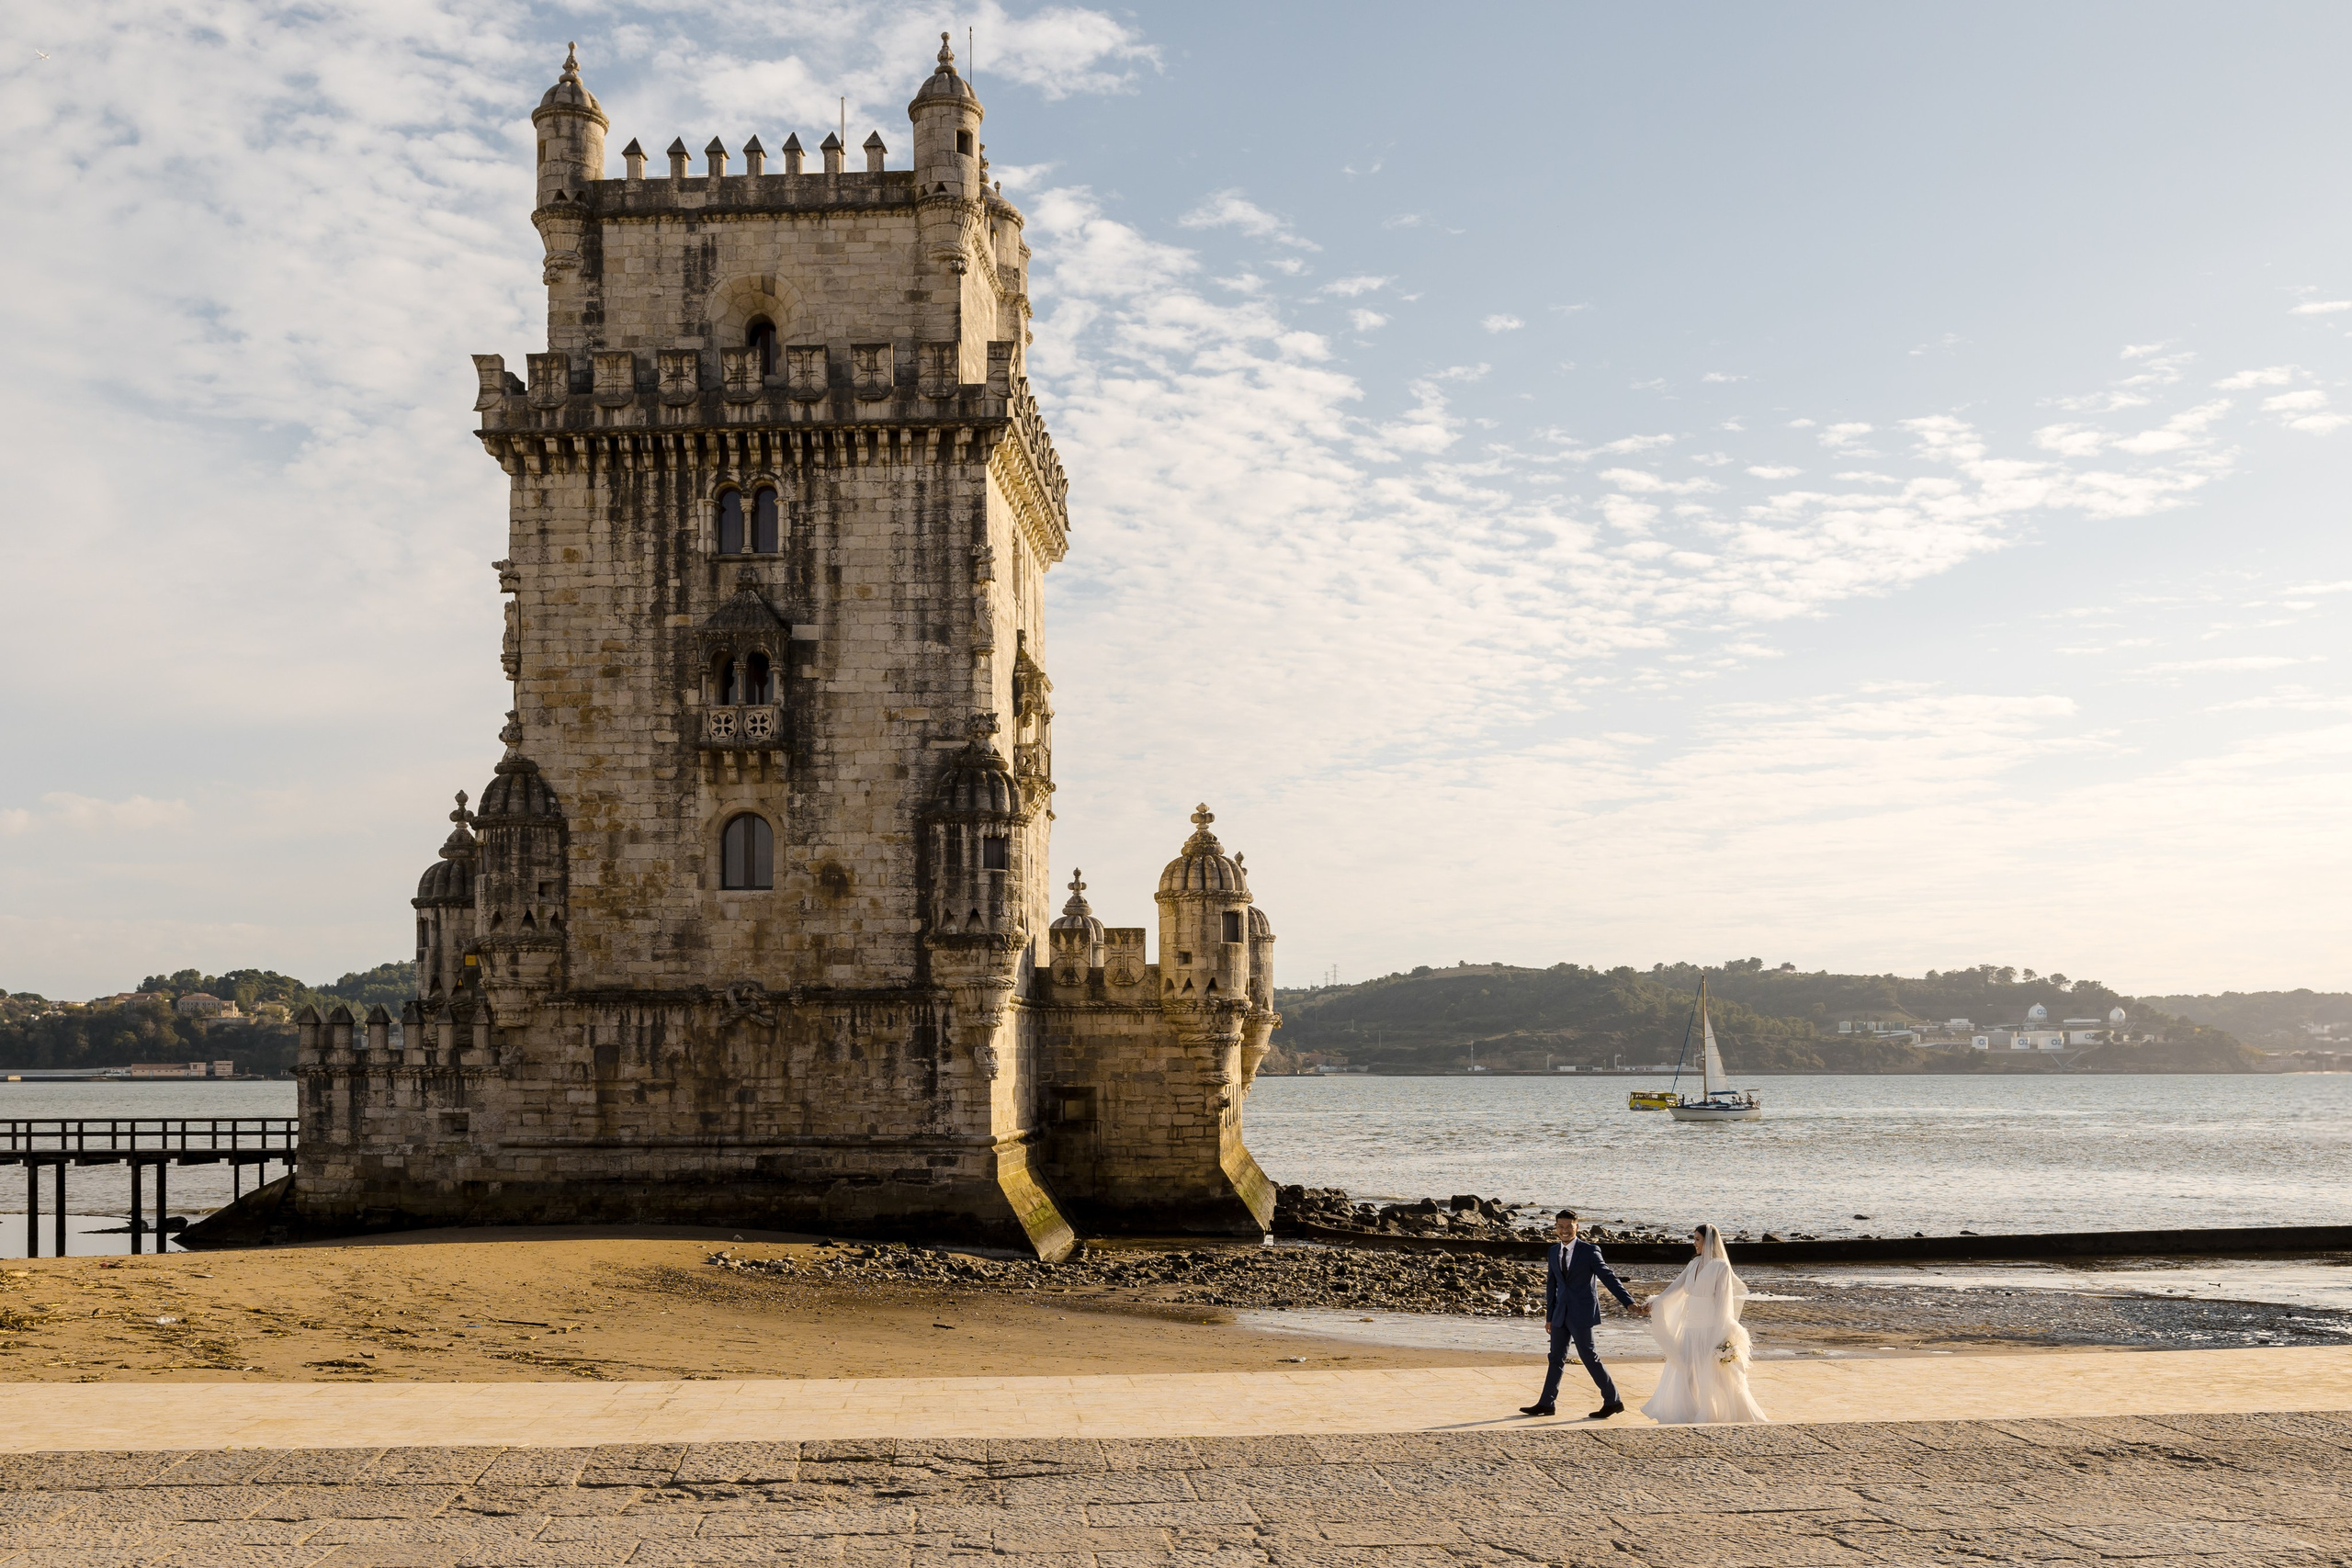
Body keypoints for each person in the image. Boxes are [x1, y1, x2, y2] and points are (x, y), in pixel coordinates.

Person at [1520, 1208, 1643, 1419]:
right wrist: (1549, 1316)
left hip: (1581, 1313)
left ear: (1577, 1227)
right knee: (1555, 1357)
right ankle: (1546, 1404)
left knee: (1588, 1356)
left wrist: (1628, 1302)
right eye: (1560, 1227)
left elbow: (1608, 1277)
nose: (1565, 1230)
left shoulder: (1589, 1251)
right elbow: (1552, 1286)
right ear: (1555, 1228)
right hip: (1560, 1313)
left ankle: (1613, 1400)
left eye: (1569, 1226)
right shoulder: (1552, 1251)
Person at [1641, 1223, 1770, 1424]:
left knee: (1715, 1376)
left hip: (1710, 1328)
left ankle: (1725, 1412)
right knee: (1686, 1370)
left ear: (1708, 1241)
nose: (1695, 1244)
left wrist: (1722, 1334)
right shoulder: (1694, 1263)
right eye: (1694, 1239)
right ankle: (1690, 1411)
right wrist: (1656, 1301)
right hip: (1691, 1328)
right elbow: (1677, 1286)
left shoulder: (1720, 1267)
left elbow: (1723, 1302)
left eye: (1697, 1240)